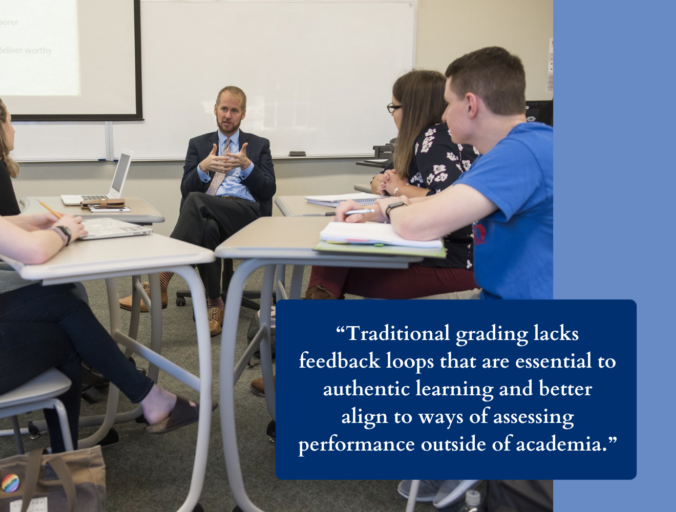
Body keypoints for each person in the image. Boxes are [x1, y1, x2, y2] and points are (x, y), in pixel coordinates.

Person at [0, 31, 206, 453]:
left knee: (62, 301)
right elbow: (30, 252)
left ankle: (150, 402)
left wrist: (24, 220)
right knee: (67, 339)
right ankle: (67, 458)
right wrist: (64, 230)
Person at [337, 46, 553, 506]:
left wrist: (390, 207)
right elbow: (445, 202)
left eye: (448, 104)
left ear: (470, 105)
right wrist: (383, 208)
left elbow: (420, 223)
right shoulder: (528, 144)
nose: (443, 116)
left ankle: (469, 463)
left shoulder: (520, 154)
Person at [303, 70, 478, 305]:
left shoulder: (432, 140)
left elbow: (449, 199)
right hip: (443, 253)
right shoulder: (426, 139)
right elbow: (380, 179)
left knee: (331, 263)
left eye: (394, 107)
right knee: (335, 259)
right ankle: (311, 317)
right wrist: (386, 186)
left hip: (457, 262)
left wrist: (397, 192)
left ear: (413, 108)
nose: (392, 114)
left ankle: (309, 319)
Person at [120, 86, 275, 336]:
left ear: (243, 114)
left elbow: (268, 191)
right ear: (215, 109)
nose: (228, 115)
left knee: (197, 201)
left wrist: (247, 167)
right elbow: (185, 188)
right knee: (206, 225)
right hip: (209, 210)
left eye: (234, 110)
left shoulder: (258, 145)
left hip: (246, 216)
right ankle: (215, 304)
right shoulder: (198, 144)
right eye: (224, 108)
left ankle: (161, 278)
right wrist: (202, 168)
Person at [0, 90, 87, 303]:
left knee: (58, 279)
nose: (14, 129)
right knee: (70, 287)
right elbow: (16, 241)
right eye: (9, 122)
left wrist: (34, 225)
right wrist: (62, 233)